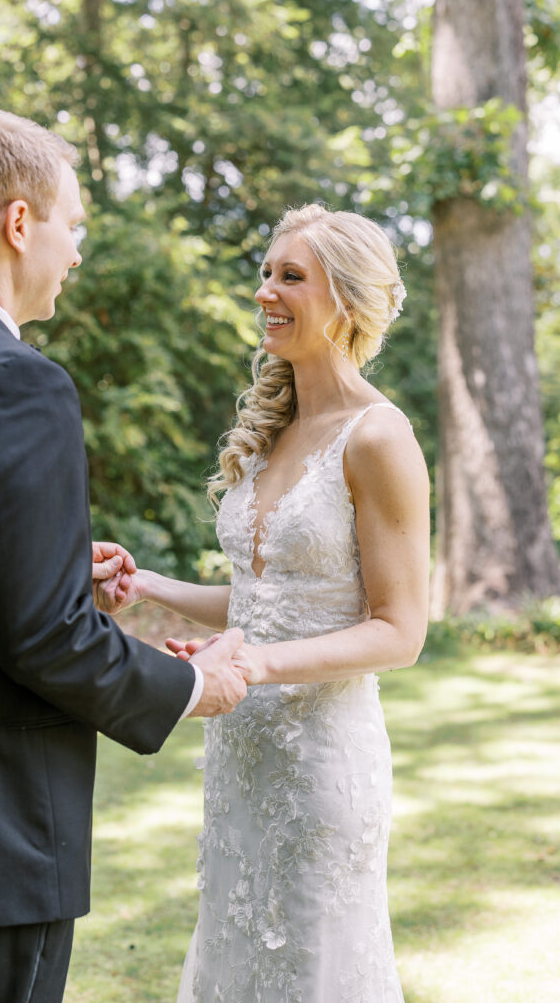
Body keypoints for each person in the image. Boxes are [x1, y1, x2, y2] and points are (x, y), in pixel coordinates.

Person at [0, 110, 247, 1003]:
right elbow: (40, 639)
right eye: (73, 224)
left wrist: (47, 565)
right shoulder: (20, 383)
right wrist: (191, 686)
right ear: (19, 224)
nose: (76, 251)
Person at [97, 204, 430, 1002]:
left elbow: (399, 632)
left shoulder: (378, 437)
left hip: (321, 758)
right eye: (264, 274)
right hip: (240, 752)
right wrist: (142, 584)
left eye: (290, 277)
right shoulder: (275, 429)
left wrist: (254, 661)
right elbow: (260, 601)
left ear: (346, 300)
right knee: (235, 954)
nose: (264, 293)